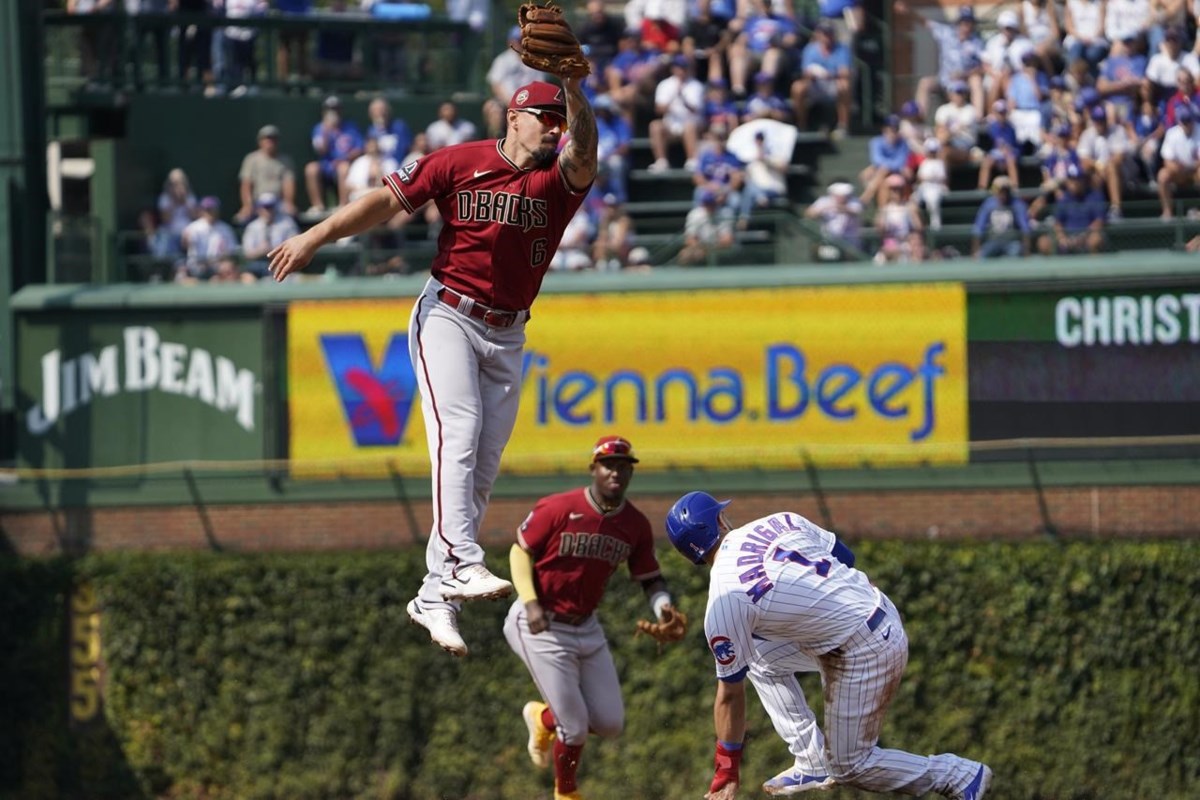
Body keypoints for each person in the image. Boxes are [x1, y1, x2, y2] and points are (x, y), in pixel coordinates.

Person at [267, 79, 598, 656]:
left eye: (559, 118)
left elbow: (586, 149)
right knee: (460, 435)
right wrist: (317, 235)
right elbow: (383, 200)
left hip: (510, 331)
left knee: (481, 471)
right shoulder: (458, 162)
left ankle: (433, 597)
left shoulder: (557, 179)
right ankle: (462, 562)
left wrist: (573, 89)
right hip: (448, 314)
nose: (555, 126)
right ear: (513, 118)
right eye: (544, 116)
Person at [662, 491, 994, 800]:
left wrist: (726, 771)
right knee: (757, 658)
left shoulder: (722, 604)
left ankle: (959, 776)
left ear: (688, 555)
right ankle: (810, 760)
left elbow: (730, 695)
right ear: (721, 521)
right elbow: (844, 558)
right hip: (880, 612)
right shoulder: (779, 520)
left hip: (862, 650)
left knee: (850, 767)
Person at [504, 435, 682, 800]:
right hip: (541, 623)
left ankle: (543, 719)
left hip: (586, 625)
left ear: (630, 472)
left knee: (609, 723)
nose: (616, 471)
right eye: (609, 464)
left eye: (623, 465)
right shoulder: (559, 507)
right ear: (594, 469)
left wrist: (663, 607)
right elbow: (520, 551)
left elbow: (649, 578)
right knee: (574, 728)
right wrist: (530, 601)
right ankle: (565, 794)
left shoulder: (634, 524)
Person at [305, 96, 364, 214]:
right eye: (330, 109)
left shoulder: (350, 126)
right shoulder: (319, 128)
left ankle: (343, 205)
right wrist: (326, 130)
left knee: (343, 167)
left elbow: (360, 149)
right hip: (326, 165)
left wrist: (344, 158)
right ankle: (318, 206)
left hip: (345, 164)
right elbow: (321, 150)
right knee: (311, 169)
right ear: (324, 112)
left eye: (336, 109)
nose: (333, 112)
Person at [236, 125, 297, 223]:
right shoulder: (251, 159)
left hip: (278, 203)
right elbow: (246, 184)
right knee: (242, 219)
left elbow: (289, 183)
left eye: (273, 138)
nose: (270, 141)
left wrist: (289, 203)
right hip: (258, 202)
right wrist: (247, 206)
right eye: (267, 138)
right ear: (260, 141)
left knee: (290, 216)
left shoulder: (286, 160)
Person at [973, 176, 1032, 258]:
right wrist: (976, 251)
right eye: (1000, 191)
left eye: (1005, 191)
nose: (1002, 194)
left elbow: (1025, 228)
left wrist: (1026, 252)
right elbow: (978, 228)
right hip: (993, 241)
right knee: (982, 256)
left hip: (1012, 242)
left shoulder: (1017, 204)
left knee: (1015, 254)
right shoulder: (988, 204)